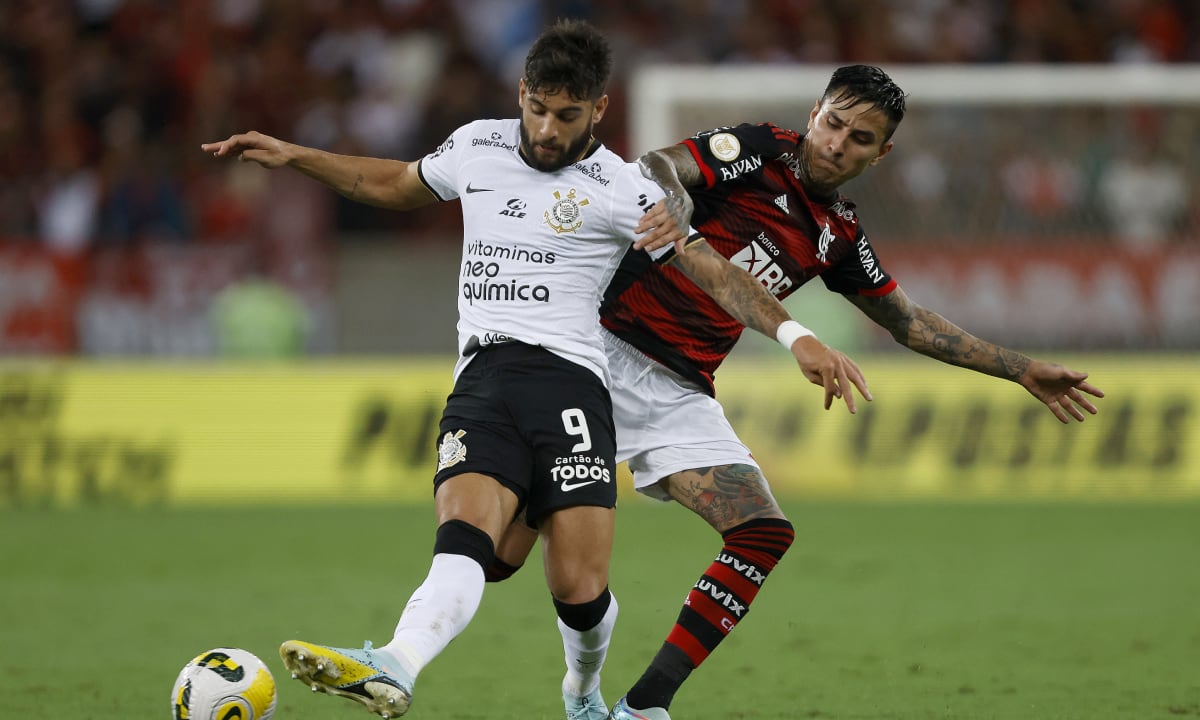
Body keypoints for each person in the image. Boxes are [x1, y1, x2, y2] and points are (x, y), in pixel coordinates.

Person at [201, 20, 866, 720]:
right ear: (521, 94)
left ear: (598, 111)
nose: (547, 130)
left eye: (567, 116)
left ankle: (582, 694)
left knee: (579, 590)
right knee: (464, 540)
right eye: (538, 109)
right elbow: (392, 182)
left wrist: (796, 336)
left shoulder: (622, 187)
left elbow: (711, 271)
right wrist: (293, 155)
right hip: (483, 379)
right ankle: (393, 663)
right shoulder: (476, 145)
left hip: (574, 387)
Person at [489, 64, 1105, 720]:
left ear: (880, 154)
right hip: (594, 352)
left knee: (762, 532)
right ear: (815, 112)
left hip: (678, 390)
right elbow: (660, 165)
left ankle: (644, 707)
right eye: (834, 123)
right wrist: (674, 208)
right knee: (500, 561)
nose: (839, 143)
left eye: (860, 138)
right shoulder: (756, 150)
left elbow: (910, 322)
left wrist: (1020, 369)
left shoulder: (839, 236)